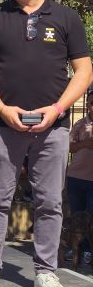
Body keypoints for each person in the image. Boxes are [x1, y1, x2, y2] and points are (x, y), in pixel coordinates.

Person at [0, 0, 92, 287]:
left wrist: (58, 109)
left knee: (50, 202)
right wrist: (2, 108)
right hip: (2, 124)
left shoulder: (66, 18)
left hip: (53, 127)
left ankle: (46, 272)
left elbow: (84, 71)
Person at [65, 89, 93, 264]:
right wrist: (86, 143)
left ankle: (89, 250)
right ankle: (76, 249)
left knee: (90, 217)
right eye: (91, 103)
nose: (92, 106)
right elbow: (68, 147)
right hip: (76, 177)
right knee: (76, 216)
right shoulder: (80, 124)